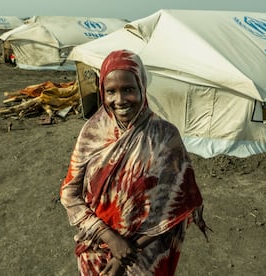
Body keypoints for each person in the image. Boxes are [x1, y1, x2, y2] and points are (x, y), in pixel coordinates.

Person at [60, 49, 209, 276]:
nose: (119, 100)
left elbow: (175, 208)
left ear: (142, 87)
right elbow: (70, 193)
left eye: (128, 89)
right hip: (96, 250)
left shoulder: (165, 137)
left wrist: (125, 254)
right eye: (111, 91)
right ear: (103, 92)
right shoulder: (92, 132)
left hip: (144, 255)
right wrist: (109, 238)